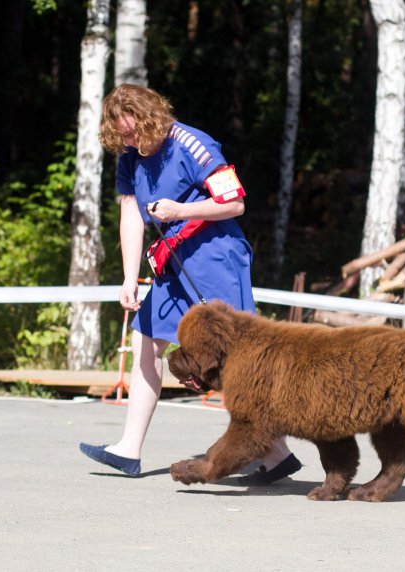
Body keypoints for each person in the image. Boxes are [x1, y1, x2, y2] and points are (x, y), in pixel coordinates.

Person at [79, 84, 302, 486]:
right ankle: (128, 449)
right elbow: (131, 214)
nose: (130, 142)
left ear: (151, 119)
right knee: (146, 341)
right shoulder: (129, 157)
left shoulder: (194, 145)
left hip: (215, 255)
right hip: (172, 260)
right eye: (123, 136)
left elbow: (235, 203)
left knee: (236, 358)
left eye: (134, 133)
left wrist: (181, 209)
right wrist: (128, 277)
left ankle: (276, 453)